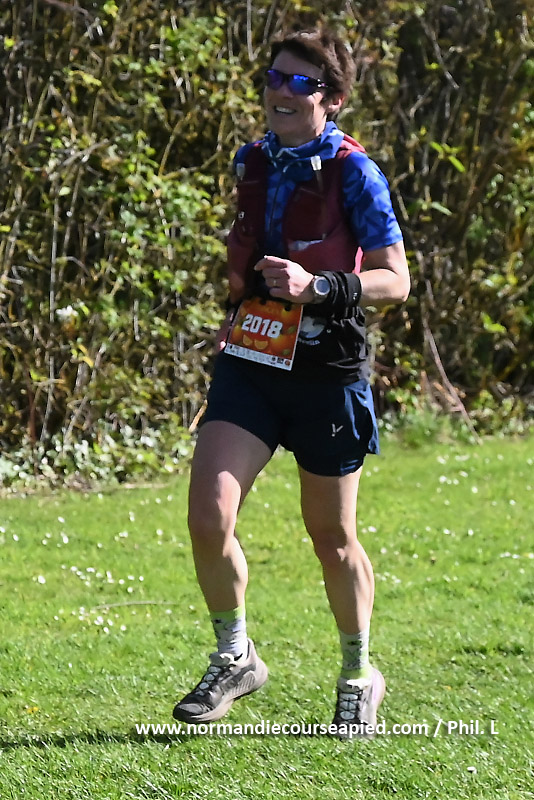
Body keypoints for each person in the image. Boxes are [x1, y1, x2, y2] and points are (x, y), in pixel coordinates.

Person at [173, 27, 410, 739]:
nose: (279, 91)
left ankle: (358, 675)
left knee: (331, 536)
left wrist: (318, 286)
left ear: (329, 99)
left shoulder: (355, 174)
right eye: (273, 77)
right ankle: (234, 655)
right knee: (209, 517)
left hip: (326, 371)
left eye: (298, 82)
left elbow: (396, 281)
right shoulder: (251, 160)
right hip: (252, 360)